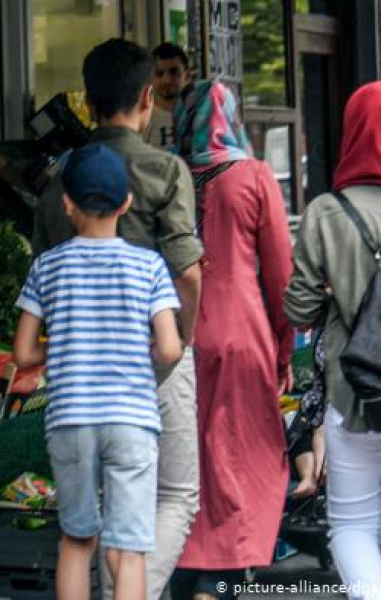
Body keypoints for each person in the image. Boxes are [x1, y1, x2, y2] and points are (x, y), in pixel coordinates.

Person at [32, 38, 203, 600]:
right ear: (148, 97)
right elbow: (189, 272)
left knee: (81, 524)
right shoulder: (165, 169)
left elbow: (39, 285)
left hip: (77, 380)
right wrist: (179, 342)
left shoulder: (58, 181)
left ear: (85, 102)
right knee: (174, 495)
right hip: (154, 355)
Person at [14, 143, 183, 600]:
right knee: (128, 550)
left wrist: (68, 350)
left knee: (77, 539)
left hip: (70, 420)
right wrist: (134, 349)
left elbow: (23, 353)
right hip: (131, 420)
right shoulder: (150, 266)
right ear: (127, 203)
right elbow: (169, 347)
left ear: (66, 205)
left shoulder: (46, 267)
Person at [170, 80, 294, 600]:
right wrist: (285, 346)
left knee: (188, 455)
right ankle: (219, 576)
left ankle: (187, 563)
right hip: (242, 330)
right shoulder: (253, 176)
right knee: (238, 456)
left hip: (174, 329)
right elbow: (282, 273)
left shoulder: (169, 174)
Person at [285, 81, 381, 596]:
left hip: (354, 392)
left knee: (352, 526)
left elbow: (297, 308)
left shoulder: (326, 212)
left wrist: (336, 289)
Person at [143, 42, 190, 150]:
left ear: (187, 75)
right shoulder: (142, 119)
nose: (167, 80)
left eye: (174, 72)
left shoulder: (201, 115)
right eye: (159, 74)